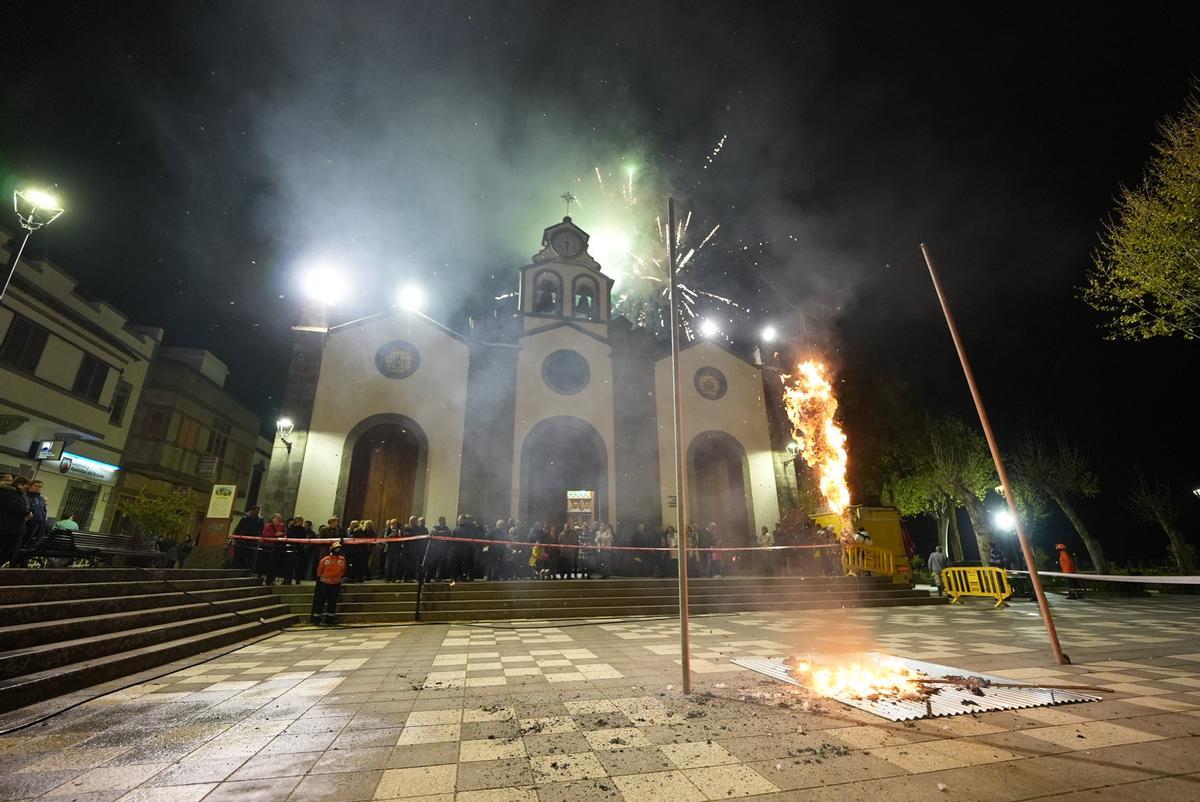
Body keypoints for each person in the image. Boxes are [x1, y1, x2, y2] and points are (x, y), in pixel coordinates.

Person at [311, 542, 348, 625]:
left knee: (333, 601)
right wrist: (319, 580)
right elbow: (319, 571)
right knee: (320, 601)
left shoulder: (342, 560)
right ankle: (316, 619)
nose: (338, 550)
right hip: (324, 583)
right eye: (336, 549)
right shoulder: (325, 560)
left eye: (339, 549)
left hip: (336, 583)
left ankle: (330, 618)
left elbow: (343, 570)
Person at [260, 513, 287, 585]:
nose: (277, 520)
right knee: (268, 563)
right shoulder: (268, 526)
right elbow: (265, 535)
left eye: (278, 519)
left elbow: (285, 534)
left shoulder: (282, 526)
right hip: (268, 547)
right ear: (272, 519)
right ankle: (265, 578)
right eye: (275, 518)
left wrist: (283, 536)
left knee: (275, 564)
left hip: (277, 547)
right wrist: (275, 535)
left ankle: (272, 579)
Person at [283, 516, 308, 584]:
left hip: (299, 548)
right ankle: (287, 579)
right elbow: (290, 536)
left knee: (298, 565)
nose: (300, 522)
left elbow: (303, 536)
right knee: (289, 565)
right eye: (298, 520)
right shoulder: (290, 528)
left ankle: (297, 579)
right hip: (291, 547)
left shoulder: (302, 529)